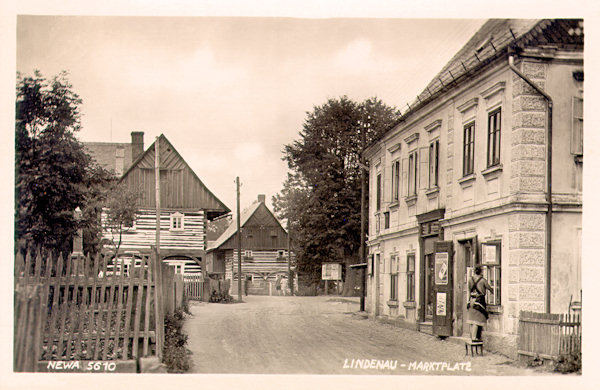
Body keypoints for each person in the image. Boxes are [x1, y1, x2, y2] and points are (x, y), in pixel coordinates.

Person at [467, 265, 494, 342]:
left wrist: (468, 301)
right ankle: (474, 338)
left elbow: (469, 291)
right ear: (481, 271)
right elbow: (490, 289)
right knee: (476, 320)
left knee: (471, 320)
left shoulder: (470, 280)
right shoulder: (483, 280)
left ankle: (472, 337)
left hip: (471, 301)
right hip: (479, 302)